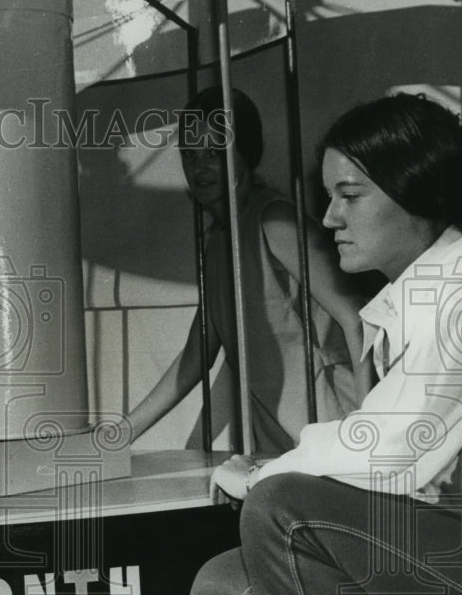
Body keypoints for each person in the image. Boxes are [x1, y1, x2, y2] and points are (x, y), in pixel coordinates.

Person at [190, 92, 462, 595]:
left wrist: (266, 473)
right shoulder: (413, 302)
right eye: (328, 198)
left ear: (416, 195)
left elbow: (394, 453)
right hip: (459, 578)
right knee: (224, 589)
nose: (328, 220)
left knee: (283, 508)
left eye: (349, 195)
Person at [127, 86, 369, 453]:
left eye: (215, 151)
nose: (200, 166)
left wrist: (374, 430)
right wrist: (115, 436)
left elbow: (357, 318)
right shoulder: (217, 241)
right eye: (190, 154)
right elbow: (196, 356)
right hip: (279, 438)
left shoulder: (274, 220)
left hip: (338, 429)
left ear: (246, 153)